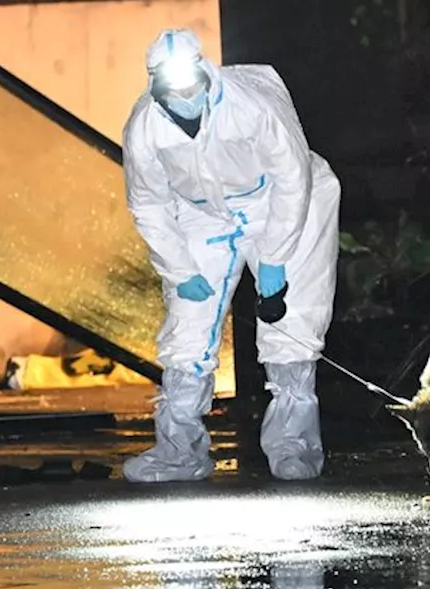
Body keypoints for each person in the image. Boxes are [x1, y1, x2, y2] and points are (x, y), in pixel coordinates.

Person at [119, 28, 341, 483]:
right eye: (172, 88)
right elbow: (148, 203)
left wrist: (276, 257)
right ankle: (179, 451)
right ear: (154, 85)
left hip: (285, 201)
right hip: (205, 213)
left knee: (292, 320)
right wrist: (179, 269)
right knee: (188, 325)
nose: (184, 96)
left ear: (204, 72)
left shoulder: (252, 107)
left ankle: (294, 448)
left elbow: (293, 178)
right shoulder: (145, 127)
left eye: (190, 84)